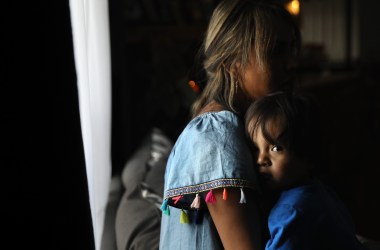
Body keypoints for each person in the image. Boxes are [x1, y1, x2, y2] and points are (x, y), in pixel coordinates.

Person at [159, 0, 301, 249]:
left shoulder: (243, 125)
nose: (292, 63)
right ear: (232, 62)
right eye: (276, 51)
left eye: (291, 50)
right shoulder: (216, 137)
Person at [244, 91, 366, 250]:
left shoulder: (291, 213)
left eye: (275, 148)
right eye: (255, 148)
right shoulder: (318, 189)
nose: (261, 160)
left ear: (308, 154)